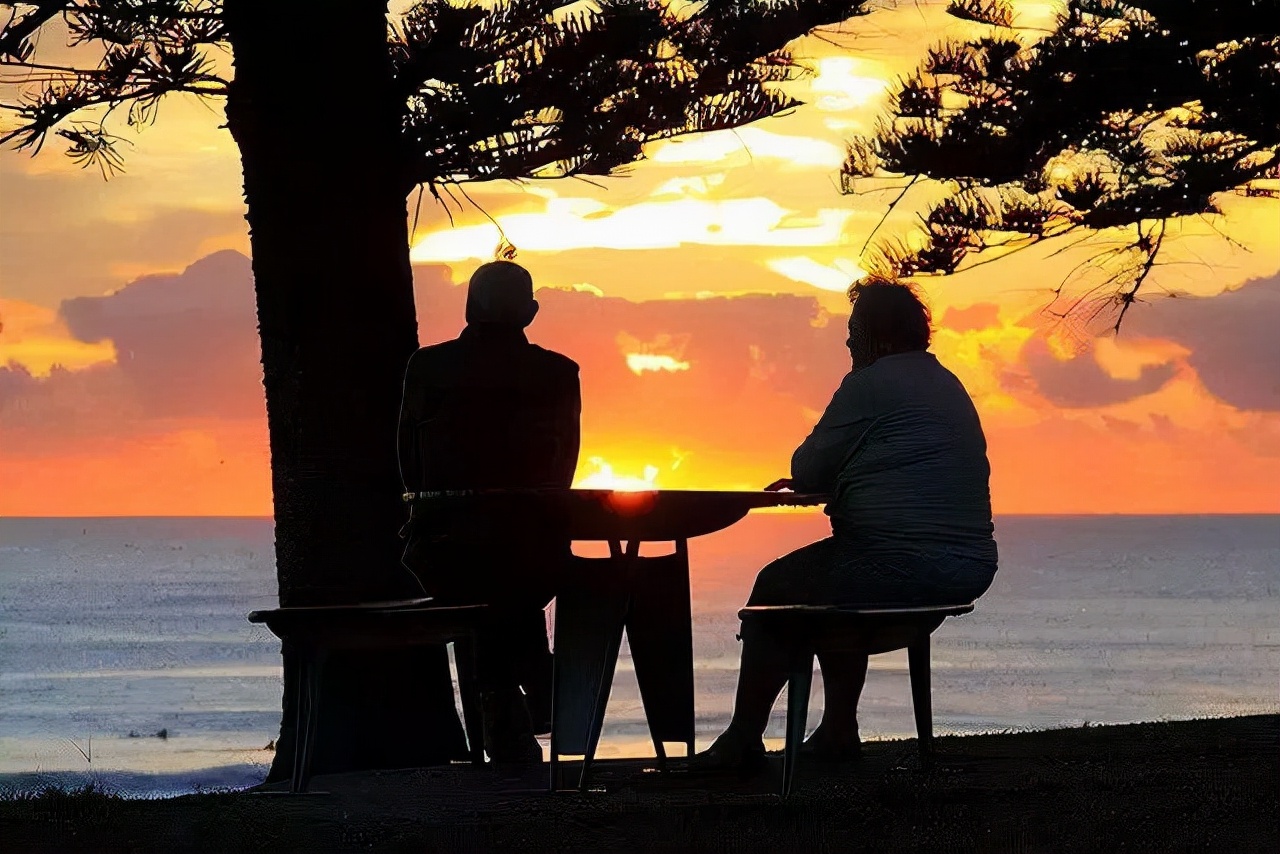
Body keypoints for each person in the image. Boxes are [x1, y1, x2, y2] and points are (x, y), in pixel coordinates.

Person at [696, 278, 998, 770]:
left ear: (877, 336)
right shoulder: (944, 381)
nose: (847, 342)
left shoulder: (872, 383)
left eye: (854, 330)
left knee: (777, 585)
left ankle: (743, 739)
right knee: (832, 586)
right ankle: (838, 731)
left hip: (904, 562)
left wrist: (831, 477)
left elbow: (808, 467)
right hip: (968, 564)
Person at [398, 260, 581, 764]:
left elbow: (409, 463)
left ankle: (510, 709)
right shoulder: (558, 373)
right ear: (531, 313)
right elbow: (564, 467)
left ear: (467, 308)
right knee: (510, 588)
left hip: (443, 549)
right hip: (529, 554)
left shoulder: (429, 367)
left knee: (485, 586)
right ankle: (529, 696)